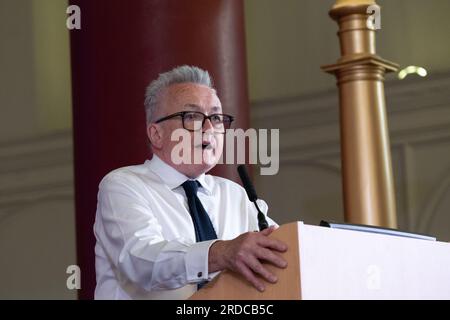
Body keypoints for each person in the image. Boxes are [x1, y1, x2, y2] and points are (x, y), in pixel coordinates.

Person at [93, 65, 288, 300]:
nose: (209, 128)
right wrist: (220, 253)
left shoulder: (235, 195)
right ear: (157, 134)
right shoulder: (123, 185)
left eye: (216, 118)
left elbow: (284, 251)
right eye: (192, 117)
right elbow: (141, 261)